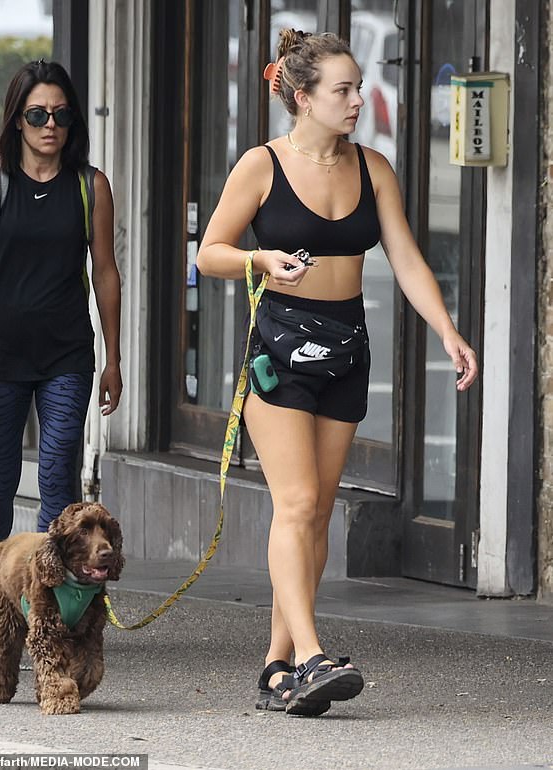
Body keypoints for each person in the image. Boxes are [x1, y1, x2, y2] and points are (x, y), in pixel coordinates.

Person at [196, 30, 477, 717]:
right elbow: (210, 252)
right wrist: (258, 262)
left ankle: (277, 667)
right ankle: (313, 656)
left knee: (318, 513)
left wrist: (447, 330)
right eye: (343, 90)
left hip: (347, 349)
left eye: (358, 87)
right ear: (302, 97)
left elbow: (407, 257)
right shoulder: (261, 166)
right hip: (280, 350)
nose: (358, 101)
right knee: (294, 504)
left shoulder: (373, 167)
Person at [0, 60, 122, 646]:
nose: (51, 125)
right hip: (0, 356)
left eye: (61, 115)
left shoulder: (89, 185)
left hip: (67, 356)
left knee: (57, 484)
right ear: (17, 120)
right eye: (38, 115)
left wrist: (113, 357)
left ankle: (58, 605)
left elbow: (106, 274)